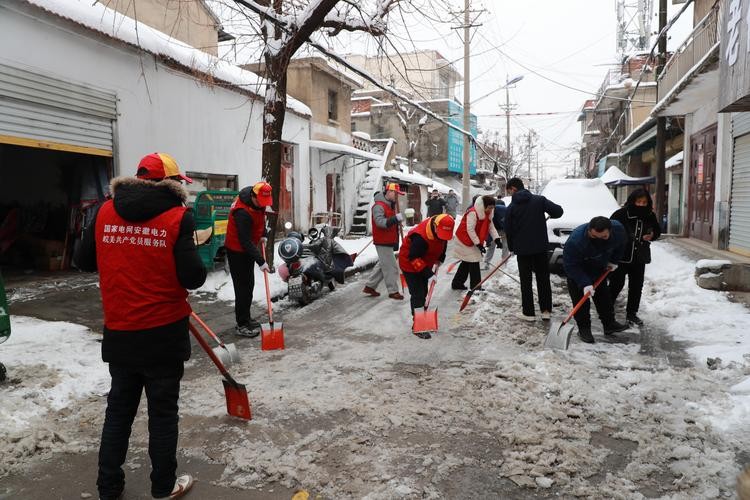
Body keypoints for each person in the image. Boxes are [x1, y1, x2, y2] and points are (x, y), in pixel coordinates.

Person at [74, 152, 206, 500]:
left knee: (118, 410)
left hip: (120, 332)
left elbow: (82, 260)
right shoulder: (179, 218)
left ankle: (108, 487)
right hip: (163, 334)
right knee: (162, 414)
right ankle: (163, 488)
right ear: (172, 183)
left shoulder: (104, 212)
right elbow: (193, 276)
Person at [562, 216, 630, 343]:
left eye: (604, 237)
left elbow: (621, 245)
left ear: (610, 231)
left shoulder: (618, 230)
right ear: (589, 230)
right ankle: (584, 329)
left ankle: (609, 324)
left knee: (604, 297)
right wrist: (584, 283)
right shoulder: (576, 241)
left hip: (599, 268)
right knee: (581, 301)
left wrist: (613, 261)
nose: (599, 240)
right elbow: (570, 265)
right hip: (579, 269)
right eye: (594, 237)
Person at [503, 177, 563, 321]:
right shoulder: (539, 200)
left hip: (523, 251)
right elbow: (558, 212)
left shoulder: (511, 208)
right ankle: (546, 310)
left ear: (513, 189)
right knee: (543, 279)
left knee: (526, 281)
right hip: (540, 248)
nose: (510, 194)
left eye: (509, 191)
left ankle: (528, 313)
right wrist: (548, 214)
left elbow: (508, 230)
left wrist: (512, 248)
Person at [224, 182, 274, 337]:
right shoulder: (242, 212)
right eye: (260, 201)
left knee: (249, 284)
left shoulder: (258, 202)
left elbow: (260, 218)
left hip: (247, 249)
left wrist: (263, 233)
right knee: (242, 288)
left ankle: (247, 318)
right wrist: (261, 261)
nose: (262, 205)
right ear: (253, 196)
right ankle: (241, 324)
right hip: (237, 251)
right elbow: (244, 241)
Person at [609, 188, 661, 326]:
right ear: (632, 201)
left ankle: (632, 314)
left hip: (639, 256)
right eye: (638, 202)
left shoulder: (650, 215)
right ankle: (607, 309)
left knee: (636, 286)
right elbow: (611, 230)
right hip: (621, 256)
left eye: (644, 202)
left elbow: (657, 230)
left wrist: (652, 235)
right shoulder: (621, 214)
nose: (641, 205)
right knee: (616, 284)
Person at [398, 214, 455, 339]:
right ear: (435, 226)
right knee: (418, 293)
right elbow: (413, 258)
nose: (443, 237)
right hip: (409, 263)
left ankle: (421, 315)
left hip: (425, 261)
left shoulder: (441, 229)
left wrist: (440, 258)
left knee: (423, 291)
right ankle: (417, 326)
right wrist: (428, 274)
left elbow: (443, 242)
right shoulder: (421, 237)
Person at [363, 182, 405, 300]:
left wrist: (397, 220)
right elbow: (380, 222)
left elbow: (390, 220)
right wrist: (394, 219)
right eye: (396, 194)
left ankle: (370, 286)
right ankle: (393, 291)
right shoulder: (379, 206)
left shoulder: (390, 204)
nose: (397, 197)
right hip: (382, 241)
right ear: (390, 192)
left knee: (383, 265)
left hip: (388, 240)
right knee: (391, 267)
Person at [451, 195, 501, 290]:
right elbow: (470, 230)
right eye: (489, 207)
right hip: (464, 239)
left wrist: (497, 239)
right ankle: (476, 287)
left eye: (492, 208)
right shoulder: (473, 213)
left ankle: (457, 283)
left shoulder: (488, 214)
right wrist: (478, 244)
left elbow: (491, 227)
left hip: (472, 240)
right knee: (474, 261)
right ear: (484, 206)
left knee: (466, 262)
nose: (491, 210)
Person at [483, 197, 508, 269]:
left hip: (503, 229)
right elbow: (491, 228)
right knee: (504, 246)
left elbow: (489, 229)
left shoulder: (495, 212)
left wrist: (489, 241)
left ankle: (487, 263)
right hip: (497, 229)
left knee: (495, 246)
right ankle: (504, 263)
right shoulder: (492, 213)